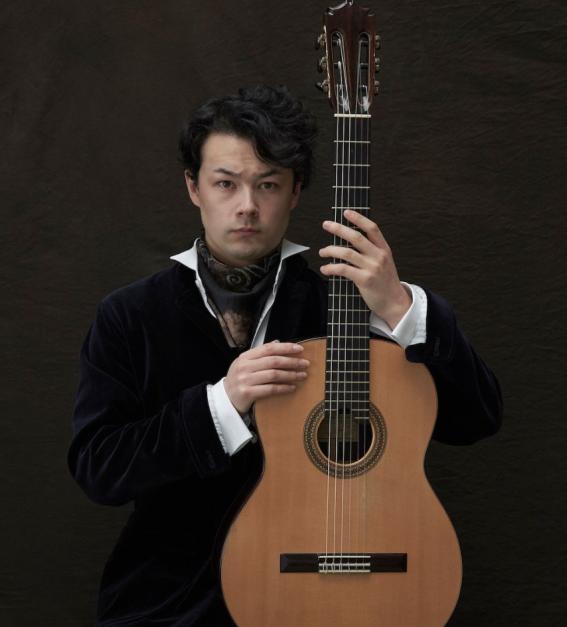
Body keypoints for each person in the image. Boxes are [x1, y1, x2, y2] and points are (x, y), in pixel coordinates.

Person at [68, 85, 502, 626]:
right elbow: (99, 469)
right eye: (225, 183)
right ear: (193, 187)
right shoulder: (130, 315)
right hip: (175, 604)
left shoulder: (348, 307)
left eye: (268, 184)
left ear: (295, 192)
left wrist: (399, 305)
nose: (247, 206)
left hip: (346, 601)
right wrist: (221, 404)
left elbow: (476, 418)